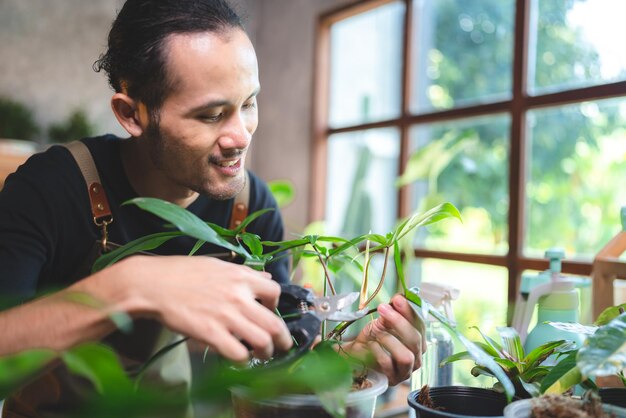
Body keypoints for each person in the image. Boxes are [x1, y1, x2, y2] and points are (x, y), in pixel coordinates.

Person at [0, 0, 425, 415]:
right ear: (131, 114)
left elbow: (272, 366)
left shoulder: (252, 206)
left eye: (248, 104)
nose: (240, 136)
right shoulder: (50, 188)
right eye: (211, 115)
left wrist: (344, 363)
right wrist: (129, 287)